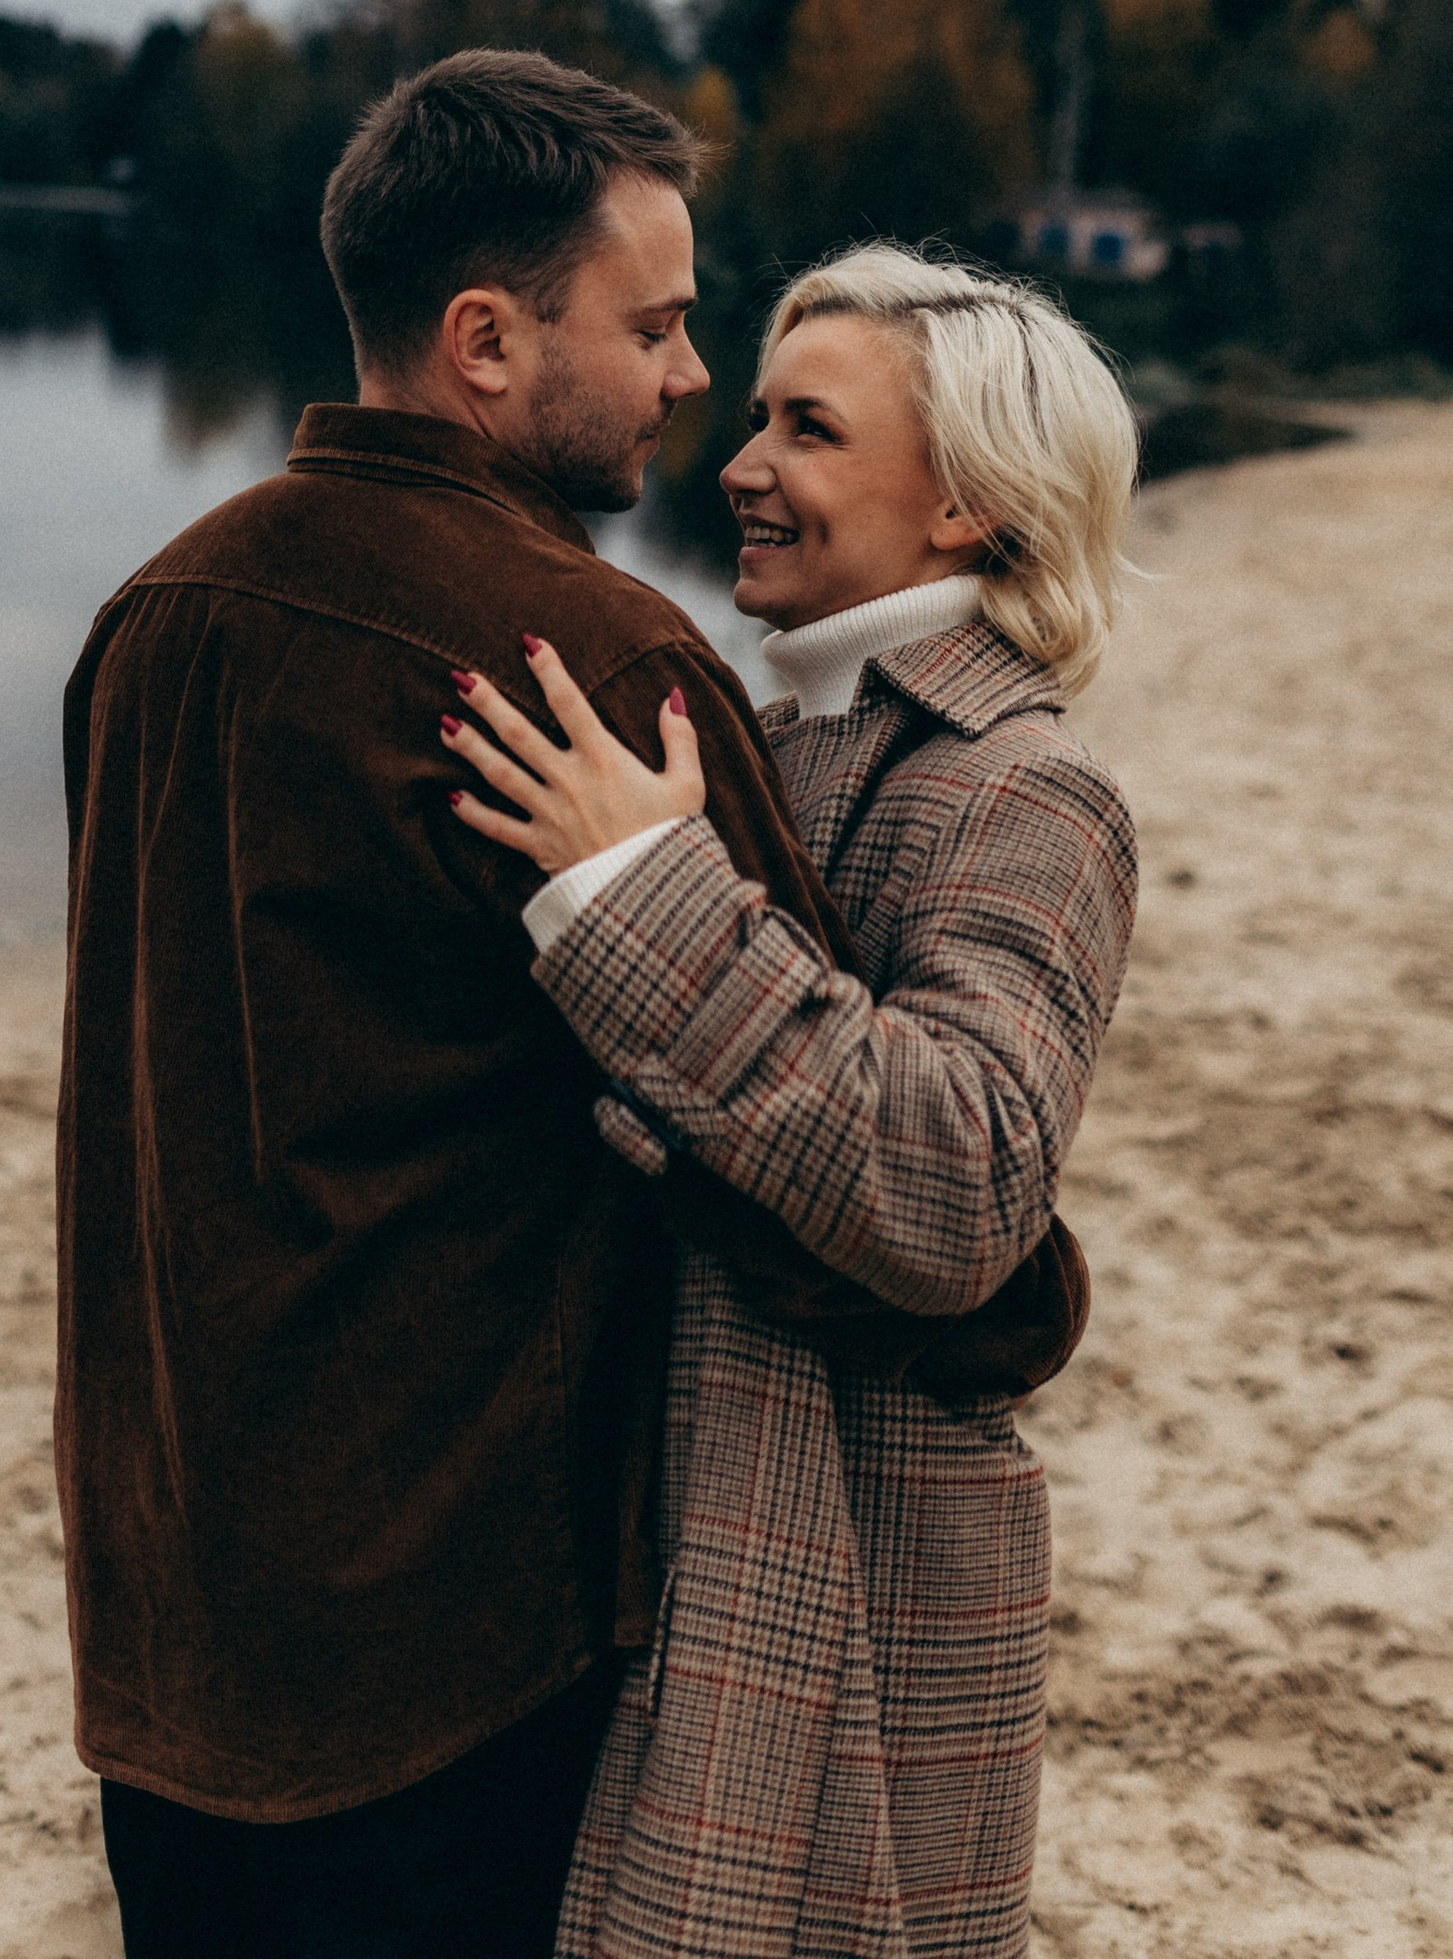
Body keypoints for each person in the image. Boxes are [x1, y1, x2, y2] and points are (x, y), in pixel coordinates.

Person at [56, 66, 1085, 1959]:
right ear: (487, 344)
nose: (695, 384)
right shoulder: (585, 659)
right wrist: (1030, 1304)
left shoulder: (152, 614)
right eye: (660, 325)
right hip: (459, 1642)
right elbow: (899, 1238)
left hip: (167, 1618)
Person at [441, 247, 1139, 1959]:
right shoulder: (760, 731)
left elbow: (963, 1182)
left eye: (807, 430)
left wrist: (638, 893)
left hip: (856, 1568)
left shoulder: (1029, 790)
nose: (740, 463)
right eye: (753, 414)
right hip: (671, 1528)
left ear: (969, 502)